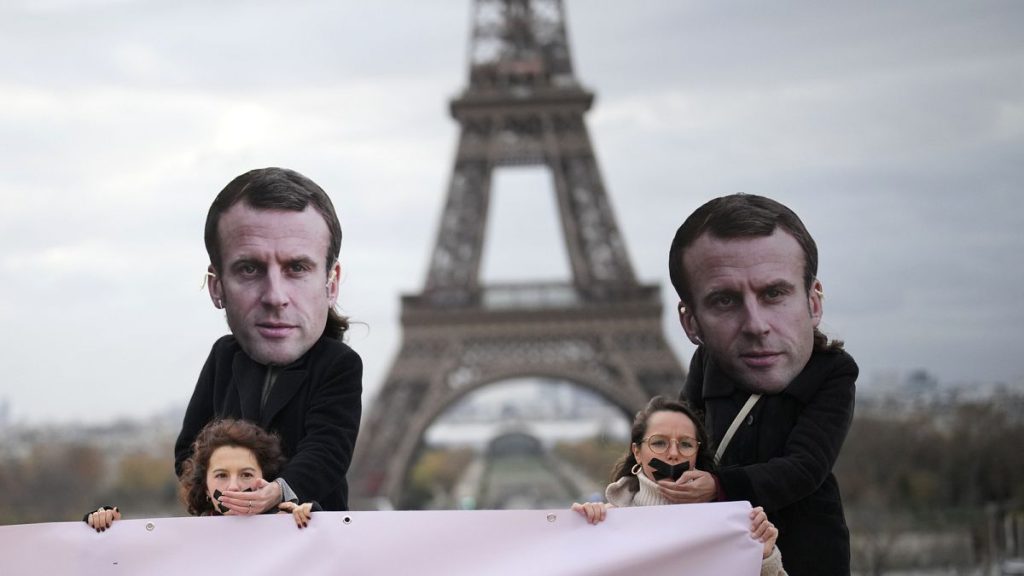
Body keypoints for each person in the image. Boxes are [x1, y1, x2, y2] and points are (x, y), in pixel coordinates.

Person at [666, 193, 858, 576]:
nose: (756, 325)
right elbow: (679, 445)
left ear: (813, 301)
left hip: (802, 557)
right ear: (691, 323)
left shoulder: (833, 372)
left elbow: (805, 467)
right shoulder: (706, 364)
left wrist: (718, 486)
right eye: (724, 300)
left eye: (774, 293)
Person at [174, 167, 362, 513]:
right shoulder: (223, 358)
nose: (276, 297)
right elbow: (189, 450)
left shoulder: (338, 365)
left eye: (297, 268)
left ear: (331, 283)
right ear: (217, 287)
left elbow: (328, 451)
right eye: (249, 269)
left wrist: (277, 493)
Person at [571, 396, 786, 576]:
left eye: (685, 444)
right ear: (636, 452)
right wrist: (577, 536)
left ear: (696, 454)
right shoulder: (606, 520)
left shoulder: (731, 525)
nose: (673, 454)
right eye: (659, 443)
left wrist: (764, 559)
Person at [86, 419, 317, 531]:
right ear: (205, 487)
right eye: (221, 475)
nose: (234, 487)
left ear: (265, 479)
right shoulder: (184, 539)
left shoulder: (287, 524)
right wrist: (103, 527)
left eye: (246, 474)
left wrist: (314, 517)